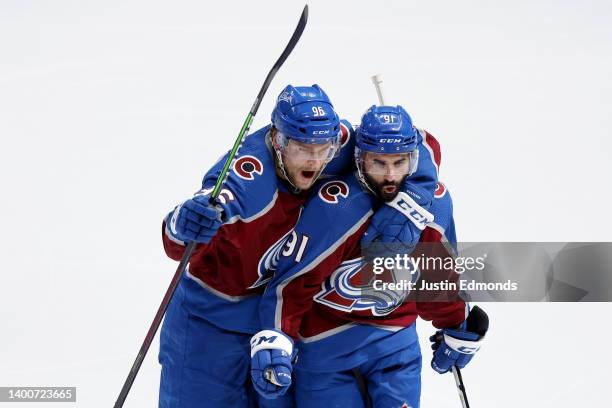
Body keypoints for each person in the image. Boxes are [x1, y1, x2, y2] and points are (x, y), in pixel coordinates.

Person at [158, 86, 441, 407]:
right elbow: (180, 242)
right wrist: (184, 223)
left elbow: (417, 142)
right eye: (303, 149)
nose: (316, 160)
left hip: (280, 322)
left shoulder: (339, 144)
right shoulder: (247, 179)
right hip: (210, 324)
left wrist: (412, 198)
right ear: (279, 141)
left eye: (324, 149)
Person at [253, 105, 488, 407]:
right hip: (325, 348)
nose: (391, 175)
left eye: (399, 162)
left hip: (395, 345)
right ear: (360, 158)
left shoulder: (431, 207)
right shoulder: (336, 207)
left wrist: (456, 324)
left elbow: (437, 276)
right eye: (379, 162)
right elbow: (293, 283)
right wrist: (276, 337)